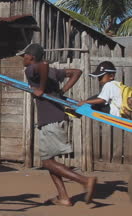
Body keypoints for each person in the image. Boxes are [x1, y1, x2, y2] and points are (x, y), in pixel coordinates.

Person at [17, 43, 97, 206]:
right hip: (56, 118)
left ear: (31, 57)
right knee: (49, 161)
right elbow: (76, 72)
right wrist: (62, 91)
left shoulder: (31, 70)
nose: (23, 59)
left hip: (50, 120)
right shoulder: (55, 72)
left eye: (24, 56)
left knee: (47, 161)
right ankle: (63, 197)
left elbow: (44, 65)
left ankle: (85, 181)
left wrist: (41, 88)